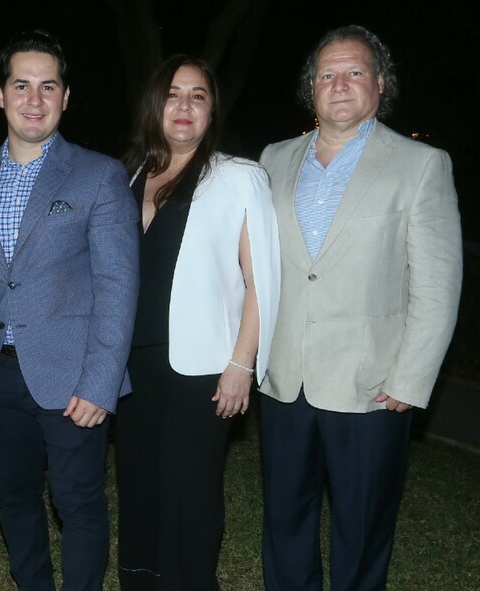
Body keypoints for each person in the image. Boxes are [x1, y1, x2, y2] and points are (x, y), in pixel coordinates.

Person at [258, 24, 462, 591]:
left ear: (379, 83)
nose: (340, 84)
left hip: (372, 385)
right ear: (311, 88)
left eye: (354, 72)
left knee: (363, 527)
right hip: (284, 379)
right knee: (285, 519)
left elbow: (438, 285)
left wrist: (411, 377)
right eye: (327, 74)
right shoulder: (273, 159)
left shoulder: (420, 165)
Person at [0, 29, 139, 591]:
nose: (33, 100)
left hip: (72, 376)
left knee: (79, 501)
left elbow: (118, 285)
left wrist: (101, 382)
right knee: (14, 497)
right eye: (21, 86)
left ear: (65, 97)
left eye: (47, 87)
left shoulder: (98, 174)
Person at [113, 55, 280, 591]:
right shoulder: (127, 173)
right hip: (131, 368)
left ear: (212, 109)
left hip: (201, 370)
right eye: (172, 94)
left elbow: (263, 281)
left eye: (198, 95)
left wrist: (240, 365)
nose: (183, 106)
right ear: (154, 104)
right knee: (139, 488)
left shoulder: (238, 177)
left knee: (189, 495)